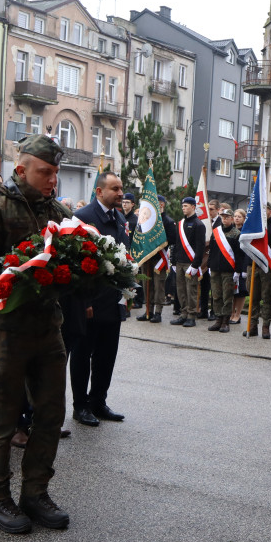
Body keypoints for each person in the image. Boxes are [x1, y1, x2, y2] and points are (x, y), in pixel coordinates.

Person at [0, 134, 71, 534]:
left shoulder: (58, 212)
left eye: (55, 172)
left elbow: (68, 261)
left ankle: (35, 492)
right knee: (1, 420)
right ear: (21, 169)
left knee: (50, 415)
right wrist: (13, 284)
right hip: (4, 331)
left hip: (47, 330)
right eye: (45, 171)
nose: (52, 179)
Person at [70, 172, 131, 427]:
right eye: (115, 189)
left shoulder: (119, 217)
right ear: (99, 192)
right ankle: (80, 406)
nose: (120, 193)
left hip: (112, 300)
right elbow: (75, 261)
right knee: (83, 354)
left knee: (107, 355)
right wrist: (85, 302)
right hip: (90, 301)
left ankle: (98, 401)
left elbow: (122, 256)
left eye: (121, 188)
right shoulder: (83, 218)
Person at [246, 203, 271, 339]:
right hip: (253, 267)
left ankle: (265, 327)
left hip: (268, 269)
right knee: (253, 298)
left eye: (265, 210)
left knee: (267, 298)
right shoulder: (254, 226)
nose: (263, 212)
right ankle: (252, 326)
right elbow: (247, 246)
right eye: (261, 209)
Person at [136, 195, 175, 324]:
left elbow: (172, 239)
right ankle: (148, 310)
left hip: (159, 258)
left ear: (161, 205)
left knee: (159, 286)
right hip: (147, 258)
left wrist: (157, 244)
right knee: (147, 285)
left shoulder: (168, 221)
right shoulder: (146, 220)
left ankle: (158, 312)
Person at [170, 196, 206, 327]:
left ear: (193, 207)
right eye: (182, 206)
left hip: (190, 263)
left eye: (186, 206)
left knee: (191, 290)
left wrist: (195, 265)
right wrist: (173, 262)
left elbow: (200, 247)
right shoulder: (180, 224)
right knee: (180, 290)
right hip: (179, 262)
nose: (183, 208)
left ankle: (191, 315)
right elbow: (176, 244)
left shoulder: (198, 224)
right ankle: (183, 313)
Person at [206, 208, 243, 333]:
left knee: (227, 296)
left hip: (228, 270)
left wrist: (237, 271)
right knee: (216, 295)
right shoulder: (216, 232)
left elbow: (239, 255)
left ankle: (225, 321)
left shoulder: (236, 234)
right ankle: (218, 319)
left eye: (227, 217)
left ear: (232, 219)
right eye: (223, 217)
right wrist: (209, 266)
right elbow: (211, 251)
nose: (224, 219)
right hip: (215, 268)